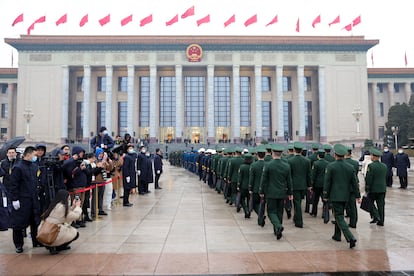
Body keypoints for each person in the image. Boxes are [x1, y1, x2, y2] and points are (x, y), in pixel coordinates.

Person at [323, 144, 360, 249]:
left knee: (339, 216)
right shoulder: (350, 167)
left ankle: (350, 237)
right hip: (346, 196)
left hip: (335, 196)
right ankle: (337, 235)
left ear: (335, 154)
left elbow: (327, 182)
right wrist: (357, 196)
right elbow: (354, 183)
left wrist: (325, 194)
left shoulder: (331, 166)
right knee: (339, 215)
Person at [9, 146, 42, 253]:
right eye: (34, 155)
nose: (35, 157)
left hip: (33, 198)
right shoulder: (18, 167)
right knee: (19, 223)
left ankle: (36, 240)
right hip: (22, 199)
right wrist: (14, 199)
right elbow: (13, 185)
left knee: (35, 221)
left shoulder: (33, 166)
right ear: (28, 154)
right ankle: (18, 244)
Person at [260, 144, 293, 240]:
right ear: (281, 154)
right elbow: (289, 181)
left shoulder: (268, 165)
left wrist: (261, 191)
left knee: (271, 212)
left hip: (271, 192)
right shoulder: (286, 166)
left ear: (272, 153)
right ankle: (277, 231)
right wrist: (290, 193)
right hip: (282, 192)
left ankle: (278, 226)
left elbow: (264, 180)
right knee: (279, 212)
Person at [38, 189, 81, 254]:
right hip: (52, 234)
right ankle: (58, 246)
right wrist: (78, 207)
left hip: (42, 233)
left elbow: (65, 215)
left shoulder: (53, 205)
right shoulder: (62, 208)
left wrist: (73, 207)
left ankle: (51, 246)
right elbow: (75, 216)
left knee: (64, 227)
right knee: (75, 233)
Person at [287, 142, 311, 228]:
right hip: (303, 185)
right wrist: (309, 185)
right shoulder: (307, 161)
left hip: (295, 185)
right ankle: (295, 217)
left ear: (294, 150)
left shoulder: (290, 161)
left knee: (297, 203)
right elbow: (309, 174)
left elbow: (289, 175)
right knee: (298, 202)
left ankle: (299, 222)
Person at [365, 148, 387, 226]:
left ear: (374, 157)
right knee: (381, 206)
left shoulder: (371, 166)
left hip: (373, 189)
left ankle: (376, 215)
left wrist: (367, 188)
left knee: (369, 203)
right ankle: (381, 221)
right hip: (382, 189)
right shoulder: (384, 166)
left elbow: (369, 179)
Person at [344, 146, 361, 228]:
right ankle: (353, 222)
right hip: (353, 186)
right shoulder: (355, 163)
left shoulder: (342, 162)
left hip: (343, 186)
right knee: (353, 205)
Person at [248, 146, 267, 219]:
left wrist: (250, 187)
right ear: (264, 155)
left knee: (255, 204)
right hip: (264, 188)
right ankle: (261, 217)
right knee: (263, 204)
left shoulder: (253, 165)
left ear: (257, 155)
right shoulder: (267, 164)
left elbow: (251, 178)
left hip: (255, 188)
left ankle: (260, 216)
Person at [310, 149, 328, 217]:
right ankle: (324, 213)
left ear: (318, 156)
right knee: (324, 200)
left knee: (315, 199)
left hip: (317, 184)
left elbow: (313, 175)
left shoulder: (316, 163)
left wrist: (311, 184)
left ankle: (314, 212)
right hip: (324, 184)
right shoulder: (328, 163)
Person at [237, 153, 254, 218]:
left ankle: (246, 210)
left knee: (242, 199)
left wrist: (238, 185)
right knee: (249, 199)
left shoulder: (242, 167)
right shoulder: (252, 166)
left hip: (243, 186)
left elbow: (240, 177)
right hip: (250, 186)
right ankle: (248, 211)